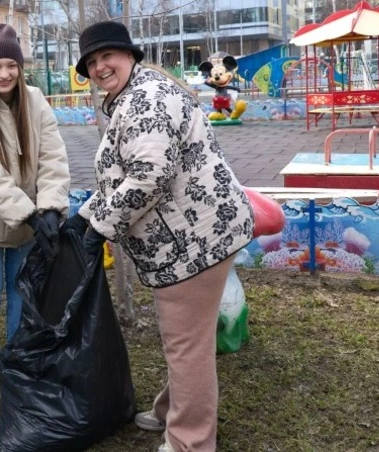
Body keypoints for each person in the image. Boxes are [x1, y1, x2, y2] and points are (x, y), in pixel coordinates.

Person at [67, 21, 254, 451]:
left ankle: (190, 441)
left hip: (191, 243)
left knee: (186, 345)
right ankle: (174, 410)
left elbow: (148, 178)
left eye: (106, 56)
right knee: (189, 339)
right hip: (195, 236)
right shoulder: (134, 95)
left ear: (129, 55)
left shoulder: (146, 99)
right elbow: (124, 177)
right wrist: (84, 217)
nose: (99, 67)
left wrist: (98, 227)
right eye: (91, 62)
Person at [0, 23, 70, 377]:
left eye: (11, 65)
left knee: (23, 290)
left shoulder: (36, 101)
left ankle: (19, 350)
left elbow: (53, 156)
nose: (4, 74)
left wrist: (49, 206)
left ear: (21, 67)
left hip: (30, 216)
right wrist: (29, 213)